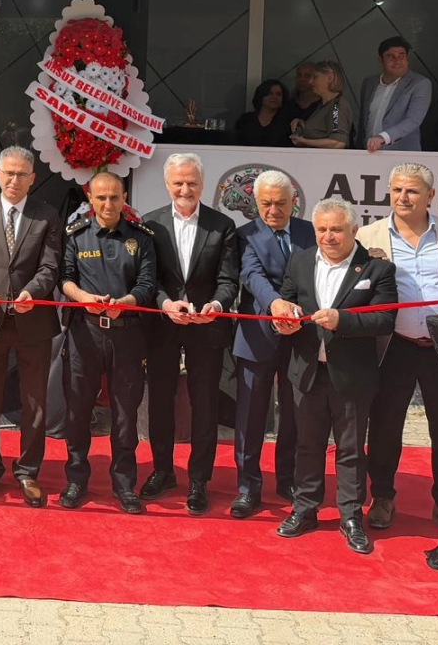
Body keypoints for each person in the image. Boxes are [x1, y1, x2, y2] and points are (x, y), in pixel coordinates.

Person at [271, 197, 397, 555]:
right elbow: (287, 300)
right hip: (307, 371)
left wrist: (344, 321)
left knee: (351, 449)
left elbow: (385, 319)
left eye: (337, 229)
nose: (328, 236)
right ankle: (305, 509)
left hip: (352, 375)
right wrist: (283, 318)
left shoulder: (377, 269)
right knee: (307, 445)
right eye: (322, 229)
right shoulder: (299, 260)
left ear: (354, 230)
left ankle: (351, 516)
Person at [358, 163, 438, 533]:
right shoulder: (368, 235)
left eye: (411, 191)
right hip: (393, 345)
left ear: (430, 195)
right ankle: (382, 497)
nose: (403, 197)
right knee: (384, 426)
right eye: (396, 190)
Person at [141, 152, 238, 514]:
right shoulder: (150, 224)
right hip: (163, 327)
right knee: (160, 401)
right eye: (178, 183)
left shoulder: (222, 225)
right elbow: (148, 278)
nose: (185, 189)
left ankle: (199, 479)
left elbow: (229, 280)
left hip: (206, 328)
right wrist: (165, 303)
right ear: (167, 184)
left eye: (192, 182)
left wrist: (216, 305)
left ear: (203, 183)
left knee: (205, 405)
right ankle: (163, 470)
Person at [0, 146, 60, 509]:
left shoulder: (46, 215)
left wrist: (32, 292)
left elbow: (50, 266)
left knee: (34, 401)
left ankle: (28, 472)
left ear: (32, 179)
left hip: (32, 320)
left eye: (21, 174)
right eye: (8, 173)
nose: (14, 180)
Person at [58, 171, 156, 514]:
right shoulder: (76, 235)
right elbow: (65, 278)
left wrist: (125, 303)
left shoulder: (141, 238)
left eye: (115, 197)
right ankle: (76, 479)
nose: (108, 203)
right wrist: (83, 298)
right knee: (78, 409)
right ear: (90, 199)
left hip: (127, 334)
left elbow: (147, 285)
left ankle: (125, 484)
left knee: (125, 412)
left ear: (124, 197)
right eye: (101, 197)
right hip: (85, 333)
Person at [231, 170, 313, 518]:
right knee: (251, 416)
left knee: (295, 414)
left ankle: (288, 480)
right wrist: (276, 305)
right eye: (265, 204)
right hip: (258, 336)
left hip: (301, 337)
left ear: (294, 201)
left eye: (280, 203)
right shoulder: (245, 235)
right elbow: (252, 276)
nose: (273, 210)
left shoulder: (311, 232)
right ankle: (248, 487)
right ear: (256, 203)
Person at [358, 36, 432, 153]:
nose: (397, 61)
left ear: (407, 59)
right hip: (368, 153)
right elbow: (363, 120)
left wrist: (383, 137)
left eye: (402, 56)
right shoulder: (369, 83)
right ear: (380, 60)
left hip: (401, 155)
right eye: (391, 57)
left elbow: (413, 120)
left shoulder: (420, 84)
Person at [290, 60, 353, 149]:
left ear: (330, 78)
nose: (310, 81)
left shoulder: (336, 106)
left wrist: (304, 141)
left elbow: (337, 142)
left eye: (315, 77)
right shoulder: (323, 106)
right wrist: (302, 125)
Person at [234, 80, 293, 147]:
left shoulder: (288, 122)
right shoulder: (245, 120)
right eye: (270, 93)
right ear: (261, 96)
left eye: (278, 94)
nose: (274, 97)